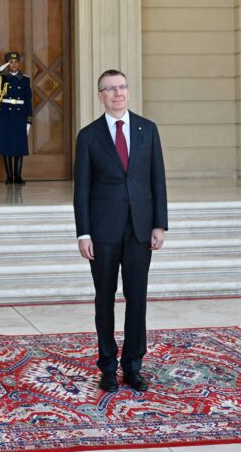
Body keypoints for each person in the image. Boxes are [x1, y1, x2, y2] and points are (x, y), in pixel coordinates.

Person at [73, 69, 168, 393]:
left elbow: (157, 180)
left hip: (140, 228)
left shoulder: (147, 130)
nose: (117, 93)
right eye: (110, 89)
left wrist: (159, 223)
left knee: (137, 298)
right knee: (104, 299)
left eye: (122, 87)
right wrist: (83, 233)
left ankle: (133, 365)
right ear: (100, 95)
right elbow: (82, 189)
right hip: (103, 231)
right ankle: (108, 367)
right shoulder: (88, 136)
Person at [0, 51, 33, 184]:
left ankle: (18, 176)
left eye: (16, 62)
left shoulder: (25, 79)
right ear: (7, 64)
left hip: (20, 115)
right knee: (6, 145)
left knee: (19, 146)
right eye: (10, 62)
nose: (14, 65)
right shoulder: (2, 78)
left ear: (19, 63)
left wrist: (29, 120)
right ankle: (9, 176)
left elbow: (28, 101)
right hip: (6, 115)